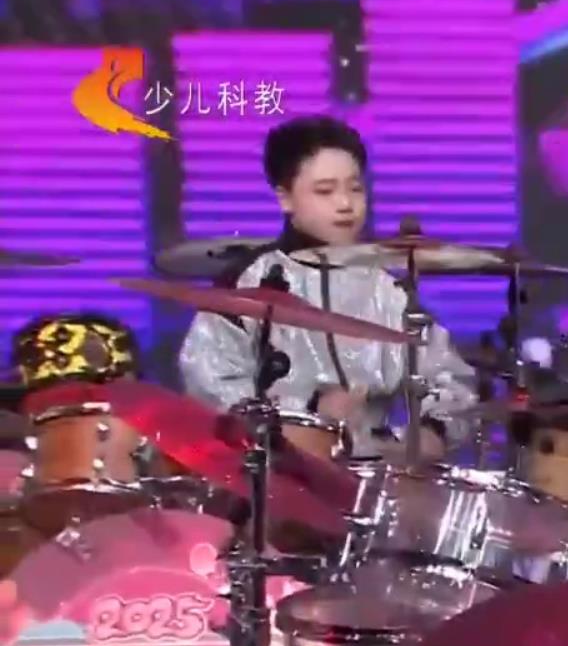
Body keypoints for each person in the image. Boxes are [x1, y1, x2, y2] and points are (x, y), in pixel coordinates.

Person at [178, 115, 475, 460]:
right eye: (325, 191)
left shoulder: (388, 291)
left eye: (355, 188)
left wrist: (430, 435)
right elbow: (209, 386)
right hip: (274, 470)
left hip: (371, 475)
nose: (345, 204)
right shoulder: (249, 284)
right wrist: (308, 414)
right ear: (285, 198)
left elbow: (451, 380)